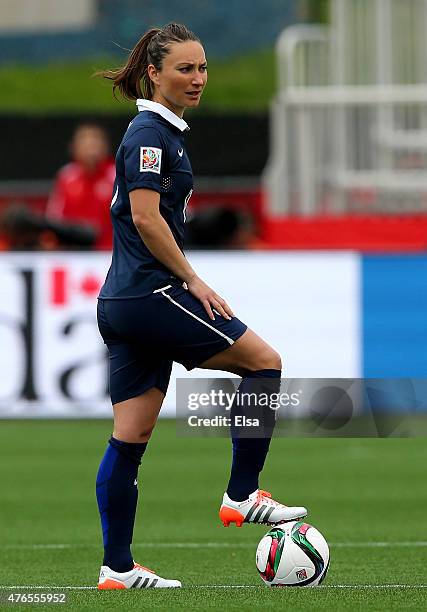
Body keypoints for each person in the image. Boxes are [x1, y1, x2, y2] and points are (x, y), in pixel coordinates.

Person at [95, 22, 307, 590]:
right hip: (150, 292)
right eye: (184, 69)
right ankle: (241, 495)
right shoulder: (148, 134)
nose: (197, 78)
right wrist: (193, 280)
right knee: (264, 363)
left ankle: (116, 569)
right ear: (154, 74)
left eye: (203, 67)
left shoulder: (165, 131)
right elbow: (144, 216)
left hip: (123, 298)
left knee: (129, 437)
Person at [46, 123, 115, 250]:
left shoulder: (116, 176)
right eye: (86, 144)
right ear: (74, 148)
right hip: (74, 253)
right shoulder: (66, 176)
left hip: (110, 252)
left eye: (95, 143)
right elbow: (54, 218)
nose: (91, 150)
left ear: (105, 147)